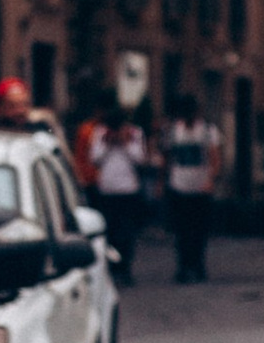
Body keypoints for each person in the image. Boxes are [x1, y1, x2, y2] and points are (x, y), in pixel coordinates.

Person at [161, 98, 222, 282]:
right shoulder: (173, 131)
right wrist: (163, 182)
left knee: (199, 231)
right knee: (181, 231)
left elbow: (215, 157)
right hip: (179, 185)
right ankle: (183, 267)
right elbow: (167, 157)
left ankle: (198, 265)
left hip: (200, 187)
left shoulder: (207, 131)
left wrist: (211, 179)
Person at [91, 113, 150, 280]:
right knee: (110, 231)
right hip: (107, 189)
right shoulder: (100, 133)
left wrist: (125, 142)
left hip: (128, 189)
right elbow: (95, 158)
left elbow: (140, 159)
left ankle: (125, 267)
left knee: (127, 232)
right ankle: (112, 268)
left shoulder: (134, 133)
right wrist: (108, 143)